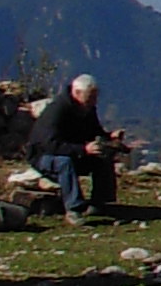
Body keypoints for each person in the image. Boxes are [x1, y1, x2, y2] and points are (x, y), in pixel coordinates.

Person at [27, 72, 126, 220]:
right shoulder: (57, 110)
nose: (94, 101)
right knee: (64, 163)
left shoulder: (87, 108)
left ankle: (99, 202)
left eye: (95, 97)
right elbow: (50, 144)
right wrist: (83, 150)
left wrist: (110, 136)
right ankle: (74, 208)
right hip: (44, 156)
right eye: (90, 97)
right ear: (77, 93)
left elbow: (93, 131)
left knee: (102, 156)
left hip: (73, 151)